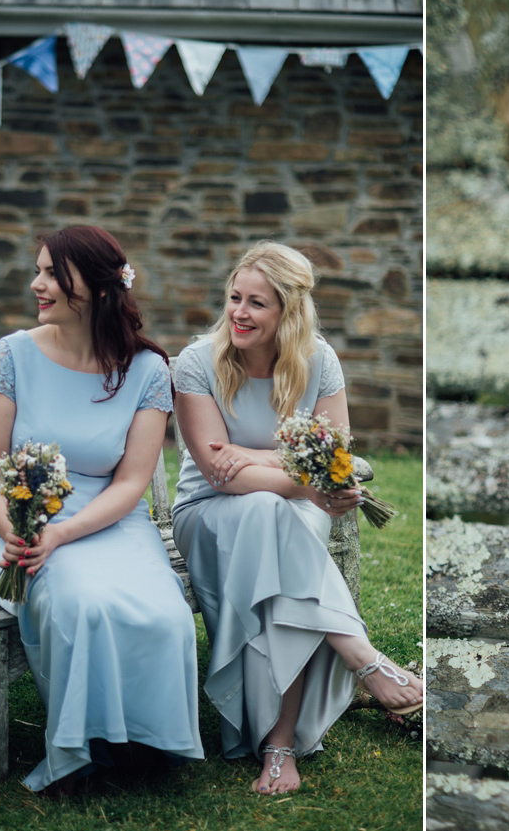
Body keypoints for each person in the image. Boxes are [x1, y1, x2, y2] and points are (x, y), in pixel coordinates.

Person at [171, 240, 423, 795]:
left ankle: (280, 743)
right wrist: (306, 482)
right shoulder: (195, 364)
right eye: (234, 298)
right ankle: (360, 656)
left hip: (293, 510)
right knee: (267, 510)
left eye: (256, 303)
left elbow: (337, 454)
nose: (238, 312)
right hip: (207, 515)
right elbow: (220, 475)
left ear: (288, 310)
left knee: (278, 521)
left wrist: (262, 458)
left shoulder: (319, 361)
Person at [0, 225, 203, 794]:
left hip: (110, 522)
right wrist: (19, 534)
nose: (36, 283)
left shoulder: (145, 371)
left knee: (166, 613)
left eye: (52, 274)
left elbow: (131, 483)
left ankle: (147, 743)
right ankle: (82, 746)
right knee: (79, 601)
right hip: (17, 522)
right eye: (39, 270)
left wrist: (67, 531)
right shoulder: (11, 356)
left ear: (97, 289)